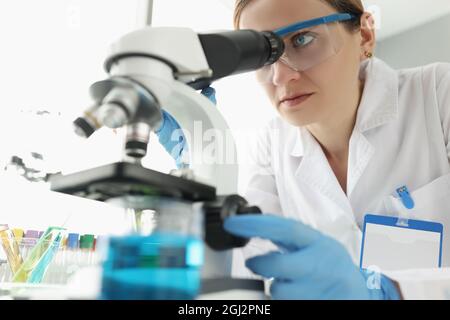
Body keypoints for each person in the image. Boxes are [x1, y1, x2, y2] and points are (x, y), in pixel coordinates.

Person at [158, 0, 450, 299]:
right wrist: (203, 163)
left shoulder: (439, 94)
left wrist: (390, 292)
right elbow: (244, 268)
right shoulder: (272, 145)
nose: (281, 77)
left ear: (364, 34)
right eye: (264, 56)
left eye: (302, 40)